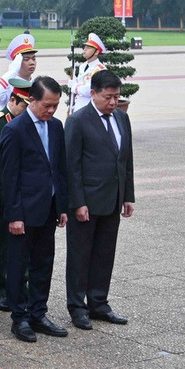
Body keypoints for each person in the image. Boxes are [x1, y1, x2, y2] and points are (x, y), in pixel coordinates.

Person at [0, 76, 69, 342]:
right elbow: (9, 177)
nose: (51, 110)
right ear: (32, 100)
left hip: (48, 208)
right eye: (47, 105)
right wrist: (14, 215)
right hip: (24, 211)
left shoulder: (56, 127)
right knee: (19, 265)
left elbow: (59, 168)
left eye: (55, 105)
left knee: (44, 263)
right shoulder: (15, 129)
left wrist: (62, 205)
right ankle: (19, 317)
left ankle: (38, 313)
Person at [65, 70, 135, 330]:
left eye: (117, 96)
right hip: (86, 201)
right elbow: (71, 166)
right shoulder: (78, 121)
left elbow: (126, 160)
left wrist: (128, 195)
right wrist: (77, 202)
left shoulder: (122, 118)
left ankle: (98, 303)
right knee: (80, 256)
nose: (113, 102)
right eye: (108, 97)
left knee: (105, 254)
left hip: (113, 199)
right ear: (93, 93)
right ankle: (77, 306)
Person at [0, 80, 31, 312]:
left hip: (23, 194)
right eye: (24, 105)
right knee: (1, 244)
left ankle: (20, 285)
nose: (27, 110)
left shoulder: (29, 123)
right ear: (12, 100)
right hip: (2, 195)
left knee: (23, 245)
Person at [0, 34, 37, 112]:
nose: (32, 62)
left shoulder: (36, 84)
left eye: (33, 58)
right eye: (26, 59)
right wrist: (12, 71)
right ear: (17, 62)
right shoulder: (9, 85)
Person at [69, 33, 107, 116]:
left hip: (90, 109)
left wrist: (74, 87)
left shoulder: (100, 69)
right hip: (78, 106)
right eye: (85, 47)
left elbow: (88, 90)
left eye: (88, 48)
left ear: (96, 52)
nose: (85, 50)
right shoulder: (82, 66)